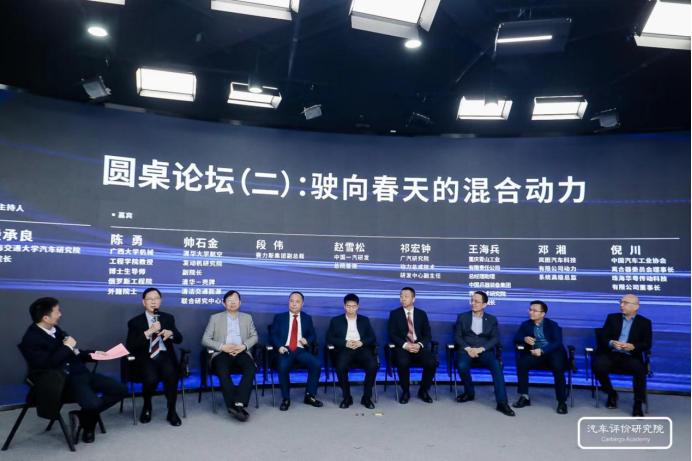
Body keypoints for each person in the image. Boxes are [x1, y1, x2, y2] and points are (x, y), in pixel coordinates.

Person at [19, 297, 128, 443]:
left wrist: (94, 353)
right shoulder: (31, 339)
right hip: (63, 380)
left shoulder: (55, 329)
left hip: (80, 372)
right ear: (45, 318)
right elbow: (47, 364)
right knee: (93, 404)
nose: (60, 314)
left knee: (121, 390)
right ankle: (88, 428)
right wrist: (67, 347)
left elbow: (73, 352)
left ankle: (81, 417)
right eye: (57, 312)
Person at [126, 287, 183, 426]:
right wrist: (149, 331)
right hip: (145, 358)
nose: (153, 302)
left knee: (171, 374)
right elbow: (131, 346)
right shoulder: (135, 322)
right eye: (150, 299)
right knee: (151, 378)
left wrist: (171, 334)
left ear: (160, 301)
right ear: (143, 302)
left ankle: (172, 410)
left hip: (165, 356)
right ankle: (147, 406)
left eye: (156, 299)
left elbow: (179, 338)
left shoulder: (168, 318)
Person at [455, 291, 514, 417]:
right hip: (467, 350)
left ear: (484, 304)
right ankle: (469, 392)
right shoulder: (462, 317)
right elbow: (458, 337)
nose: (473, 303)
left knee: (496, 365)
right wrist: (468, 349)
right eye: (472, 300)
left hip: (484, 351)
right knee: (461, 365)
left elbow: (495, 338)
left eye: (476, 301)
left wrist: (481, 349)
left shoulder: (491, 319)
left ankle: (502, 401)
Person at [201, 290, 258, 422]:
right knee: (222, 370)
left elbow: (254, 336)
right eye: (229, 300)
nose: (233, 302)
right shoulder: (215, 318)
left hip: (241, 351)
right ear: (224, 303)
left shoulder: (247, 317)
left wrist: (243, 346)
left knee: (251, 369)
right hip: (222, 352)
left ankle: (238, 403)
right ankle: (235, 406)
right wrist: (222, 346)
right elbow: (205, 340)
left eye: (235, 300)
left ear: (240, 303)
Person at [593, 294, 652, 417]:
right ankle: (611, 393)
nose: (621, 305)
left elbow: (647, 344)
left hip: (630, 356)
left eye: (625, 303)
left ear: (636, 307)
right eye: (621, 302)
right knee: (597, 366)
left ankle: (638, 404)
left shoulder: (645, 323)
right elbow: (603, 337)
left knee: (639, 369)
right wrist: (612, 343)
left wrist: (633, 346)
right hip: (611, 354)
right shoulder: (612, 318)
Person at [512, 300, 568, 414]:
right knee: (522, 364)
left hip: (553, 353)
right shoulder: (526, 324)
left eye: (534, 311)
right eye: (530, 310)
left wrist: (542, 350)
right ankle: (524, 396)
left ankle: (562, 402)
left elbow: (557, 342)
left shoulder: (552, 325)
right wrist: (524, 339)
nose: (531, 312)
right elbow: (516, 338)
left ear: (543, 314)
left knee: (558, 368)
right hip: (535, 354)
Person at [270, 292, 323, 411]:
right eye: (291, 301)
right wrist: (279, 347)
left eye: (297, 301)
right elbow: (273, 335)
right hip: (285, 350)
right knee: (283, 366)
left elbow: (313, 335)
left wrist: (307, 341)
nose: (294, 304)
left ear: (302, 304)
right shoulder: (279, 317)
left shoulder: (307, 318)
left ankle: (309, 395)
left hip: (300, 350)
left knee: (316, 364)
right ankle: (286, 398)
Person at [326, 294, 379, 409]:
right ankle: (347, 397)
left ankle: (366, 397)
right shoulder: (336, 320)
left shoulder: (364, 320)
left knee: (373, 365)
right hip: (344, 349)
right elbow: (329, 338)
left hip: (361, 349)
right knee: (340, 366)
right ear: (344, 306)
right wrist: (345, 343)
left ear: (358, 307)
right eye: (348, 306)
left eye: (353, 306)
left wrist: (361, 342)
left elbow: (372, 337)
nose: (351, 309)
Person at [387, 287, 437, 404]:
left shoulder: (421, 314)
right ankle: (405, 391)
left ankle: (423, 390)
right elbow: (392, 334)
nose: (402, 299)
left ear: (413, 299)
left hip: (419, 346)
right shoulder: (395, 314)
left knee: (431, 362)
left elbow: (428, 335)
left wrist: (419, 344)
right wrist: (405, 345)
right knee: (402, 362)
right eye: (401, 296)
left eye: (406, 296)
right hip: (403, 347)